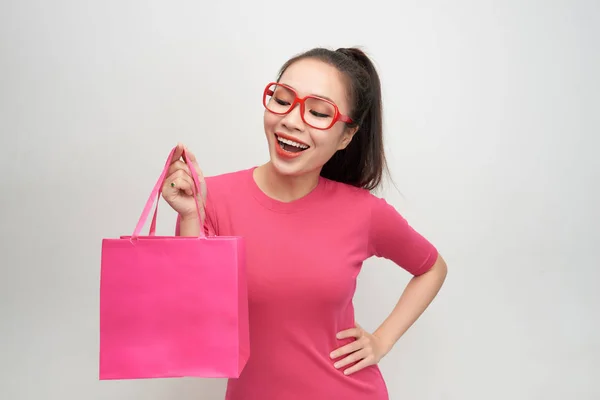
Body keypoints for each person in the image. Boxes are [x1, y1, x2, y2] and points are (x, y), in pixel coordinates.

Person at [161, 47, 447, 400]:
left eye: (318, 112)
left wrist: (381, 340)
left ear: (346, 136)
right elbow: (192, 312)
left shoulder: (365, 213)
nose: (292, 120)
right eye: (282, 100)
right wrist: (190, 215)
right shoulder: (211, 199)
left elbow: (432, 268)